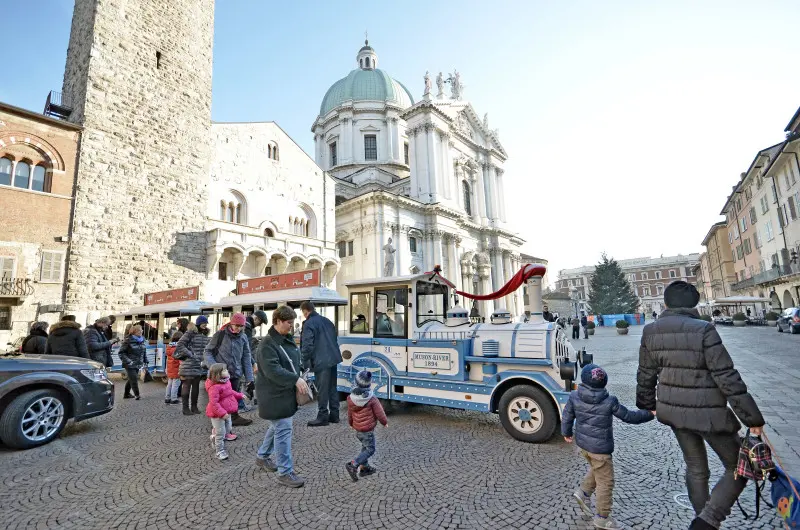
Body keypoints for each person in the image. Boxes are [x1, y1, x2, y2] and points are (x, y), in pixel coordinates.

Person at [637, 281, 765, 530]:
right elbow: (726, 376)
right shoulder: (704, 330)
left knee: (696, 468)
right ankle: (707, 521)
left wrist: (647, 404)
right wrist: (752, 418)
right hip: (708, 414)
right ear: (694, 304)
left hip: (674, 412)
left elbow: (645, 373)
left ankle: (702, 520)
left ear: (666, 303)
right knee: (740, 465)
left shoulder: (650, 331)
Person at [563, 364, 654, 529]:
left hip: (584, 445)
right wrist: (649, 414)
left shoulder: (574, 396)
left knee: (597, 469)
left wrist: (566, 433)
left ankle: (583, 492)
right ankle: (602, 517)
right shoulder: (609, 401)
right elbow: (629, 416)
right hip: (600, 450)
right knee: (606, 481)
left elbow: (567, 415)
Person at [254, 305, 309, 488]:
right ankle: (285, 472)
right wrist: (295, 379)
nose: (291, 326)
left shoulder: (284, 339)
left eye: (293, 323)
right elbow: (273, 370)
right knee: (283, 429)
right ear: (278, 321)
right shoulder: (268, 344)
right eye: (288, 323)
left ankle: (262, 456)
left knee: (276, 426)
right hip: (273, 395)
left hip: (282, 394)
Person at [205, 312, 254, 427]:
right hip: (220, 375)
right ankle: (219, 422)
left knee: (233, 397)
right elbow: (207, 351)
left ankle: (234, 418)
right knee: (220, 399)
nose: (239, 329)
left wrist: (250, 378)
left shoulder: (243, 337)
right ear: (231, 323)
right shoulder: (220, 334)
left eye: (241, 326)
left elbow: (246, 357)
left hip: (235, 372)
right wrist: (215, 368)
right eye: (236, 326)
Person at [300, 301, 342, 427]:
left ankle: (322, 416)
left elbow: (307, 345)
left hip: (321, 360)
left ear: (305, 311)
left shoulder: (309, 323)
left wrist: (303, 361)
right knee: (332, 387)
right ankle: (335, 415)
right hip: (333, 358)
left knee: (322, 389)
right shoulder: (327, 320)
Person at [345, 370, 388, 481]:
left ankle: (365, 468)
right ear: (369, 384)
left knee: (365, 447)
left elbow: (350, 413)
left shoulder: (351, 398)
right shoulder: (372, 398)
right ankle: (353, 464)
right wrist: (384, 422)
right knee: (370, 449)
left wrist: (351, 424)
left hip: (358, 429)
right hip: (368, 431)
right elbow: (380, 413)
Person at [205, 362, 244, 461]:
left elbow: (230, 392)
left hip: (226, 412)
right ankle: (219, 451)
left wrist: (240, 395)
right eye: (225, 370)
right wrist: (222, 413)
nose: (227, 371)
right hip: (217, 414)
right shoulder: (214, 388)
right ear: (218, 374)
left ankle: (215, 434)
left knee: (228, 427)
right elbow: (214, 403)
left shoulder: (226, 382)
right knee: (220, 433)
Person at [174, 317, 211, 415]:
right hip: (188, 363)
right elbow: (180, 344)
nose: (205, 325)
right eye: (203, 323)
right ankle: (185, 408)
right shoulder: (190, 333)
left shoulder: (204, 334)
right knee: (187, 385)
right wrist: (190, 354)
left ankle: (194, 407)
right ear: (198, 323)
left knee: (196, 386)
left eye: (206, 323)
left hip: (198, 364)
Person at [118, 324, 147, 400]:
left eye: (142, 330)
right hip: (129, 364)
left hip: (138, 363)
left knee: (131, 379)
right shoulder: (128, 340)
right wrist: (128, 361)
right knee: (134, 379)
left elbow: (143, 351)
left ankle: (126, 394)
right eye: (139, 330)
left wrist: (145, 361)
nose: (141, 331)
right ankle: (137, 395)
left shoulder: (142, 340)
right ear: (134, 332)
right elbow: (121, 353)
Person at [164, 331, 182, 405]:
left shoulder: (169, 346)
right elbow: (180, 360)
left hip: (170, 368)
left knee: (169, 384)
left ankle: (167, 398)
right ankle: (174, 399)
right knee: (175, 384)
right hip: (176, 369)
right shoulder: (178, 348)